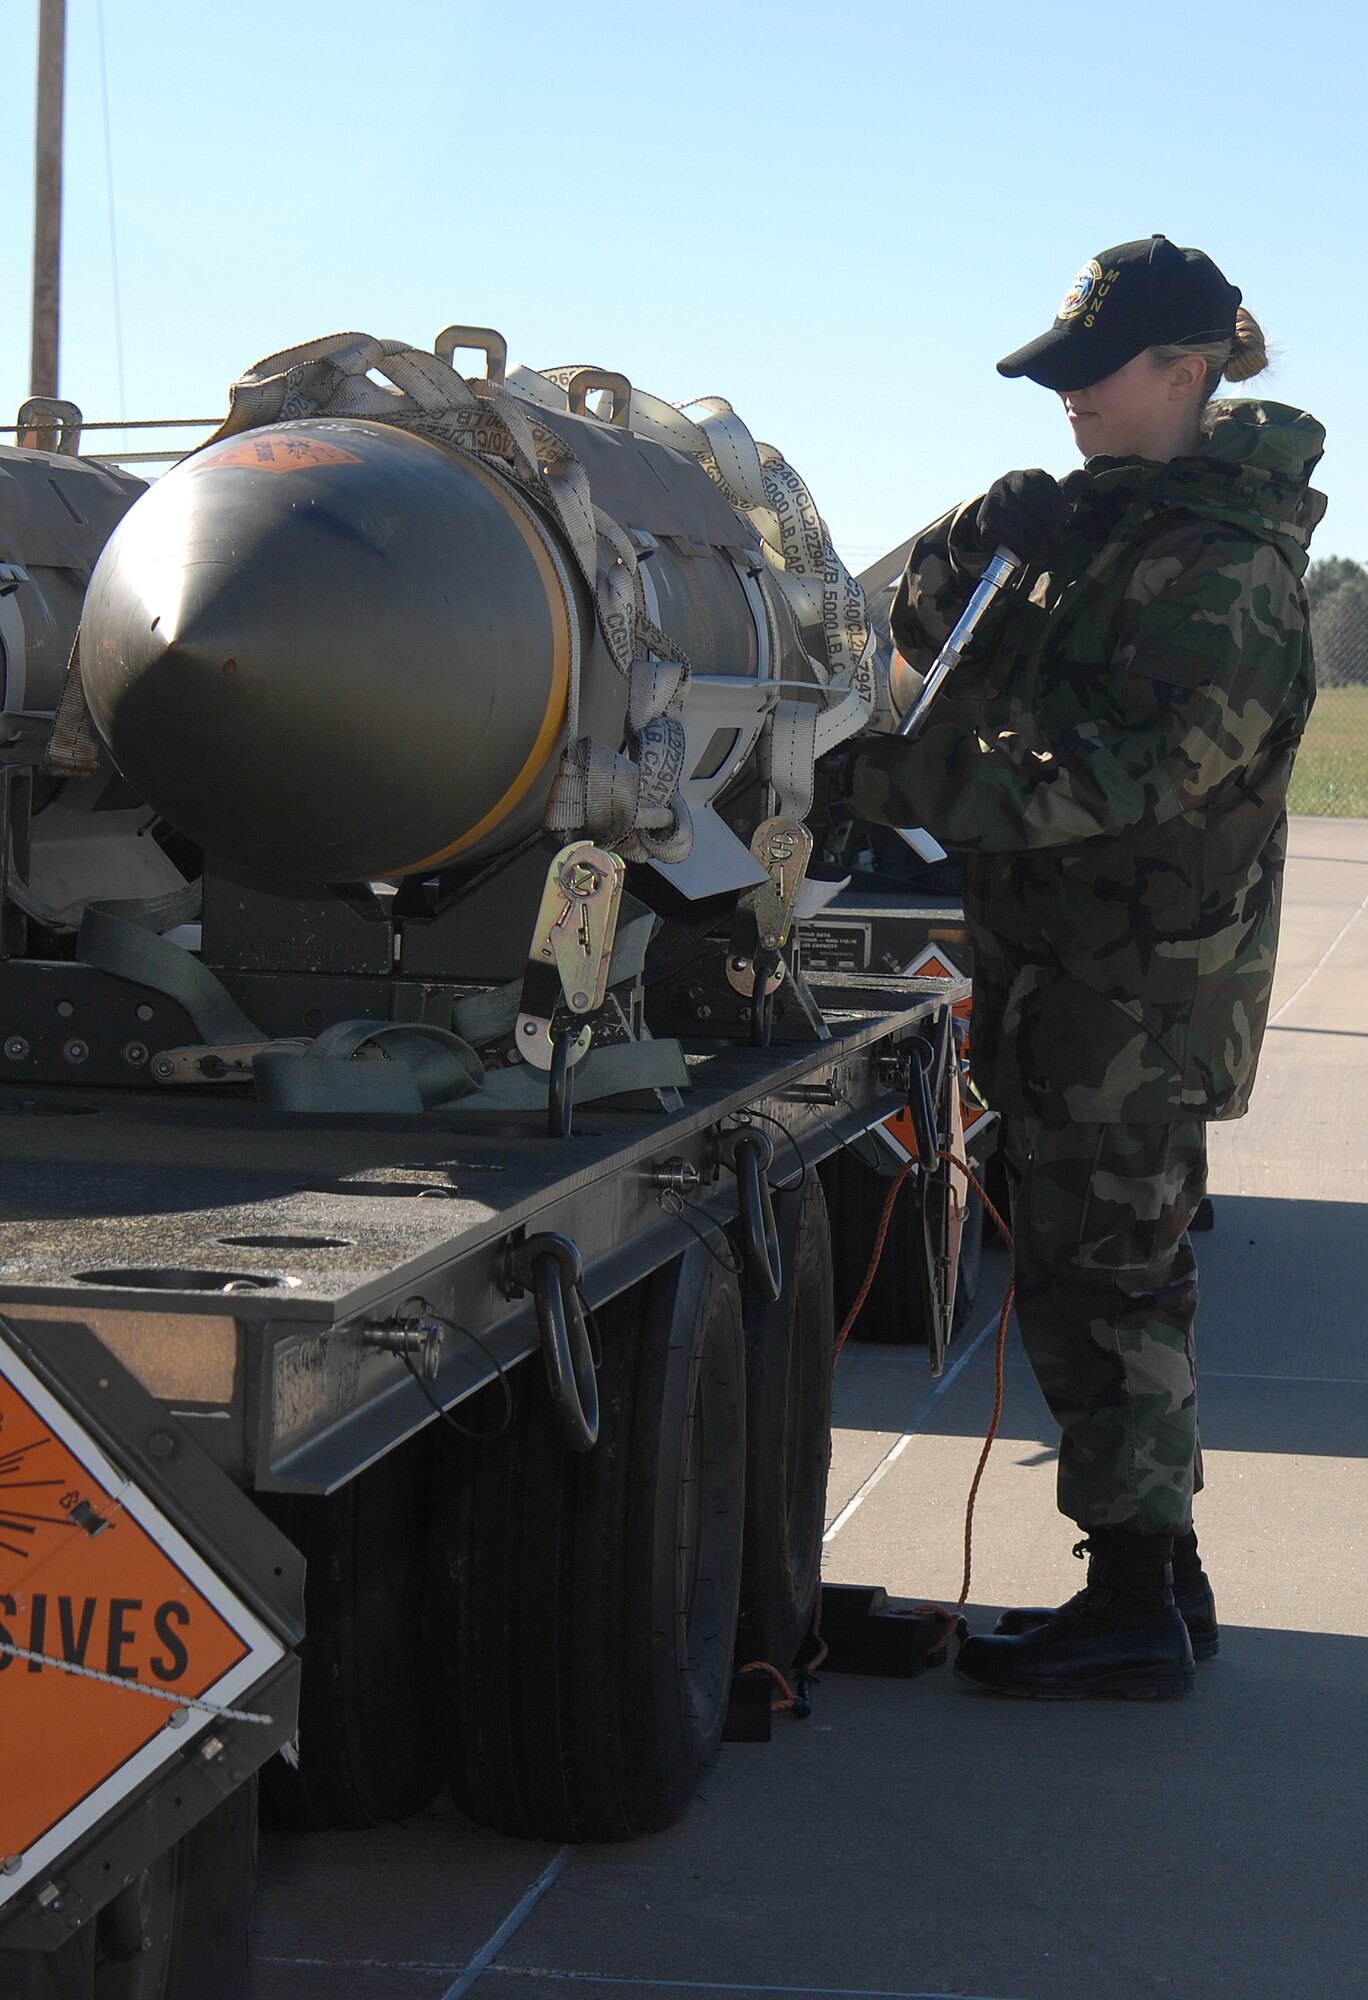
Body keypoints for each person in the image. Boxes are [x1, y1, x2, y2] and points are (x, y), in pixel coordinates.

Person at [848, 234, 1326, 1700]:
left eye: (1091, 374)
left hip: (1136, 1007)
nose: (1067, 401)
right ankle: (1159, 1582)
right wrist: (965, 541)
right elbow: (933, 641)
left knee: (1106, 1289)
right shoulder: (1106, 533)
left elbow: (1124, 775)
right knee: (1088, 1282)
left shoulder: (1225, 576)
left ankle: (1132, 1597)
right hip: (1070, 988)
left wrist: (885, 789)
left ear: (1186, 373)